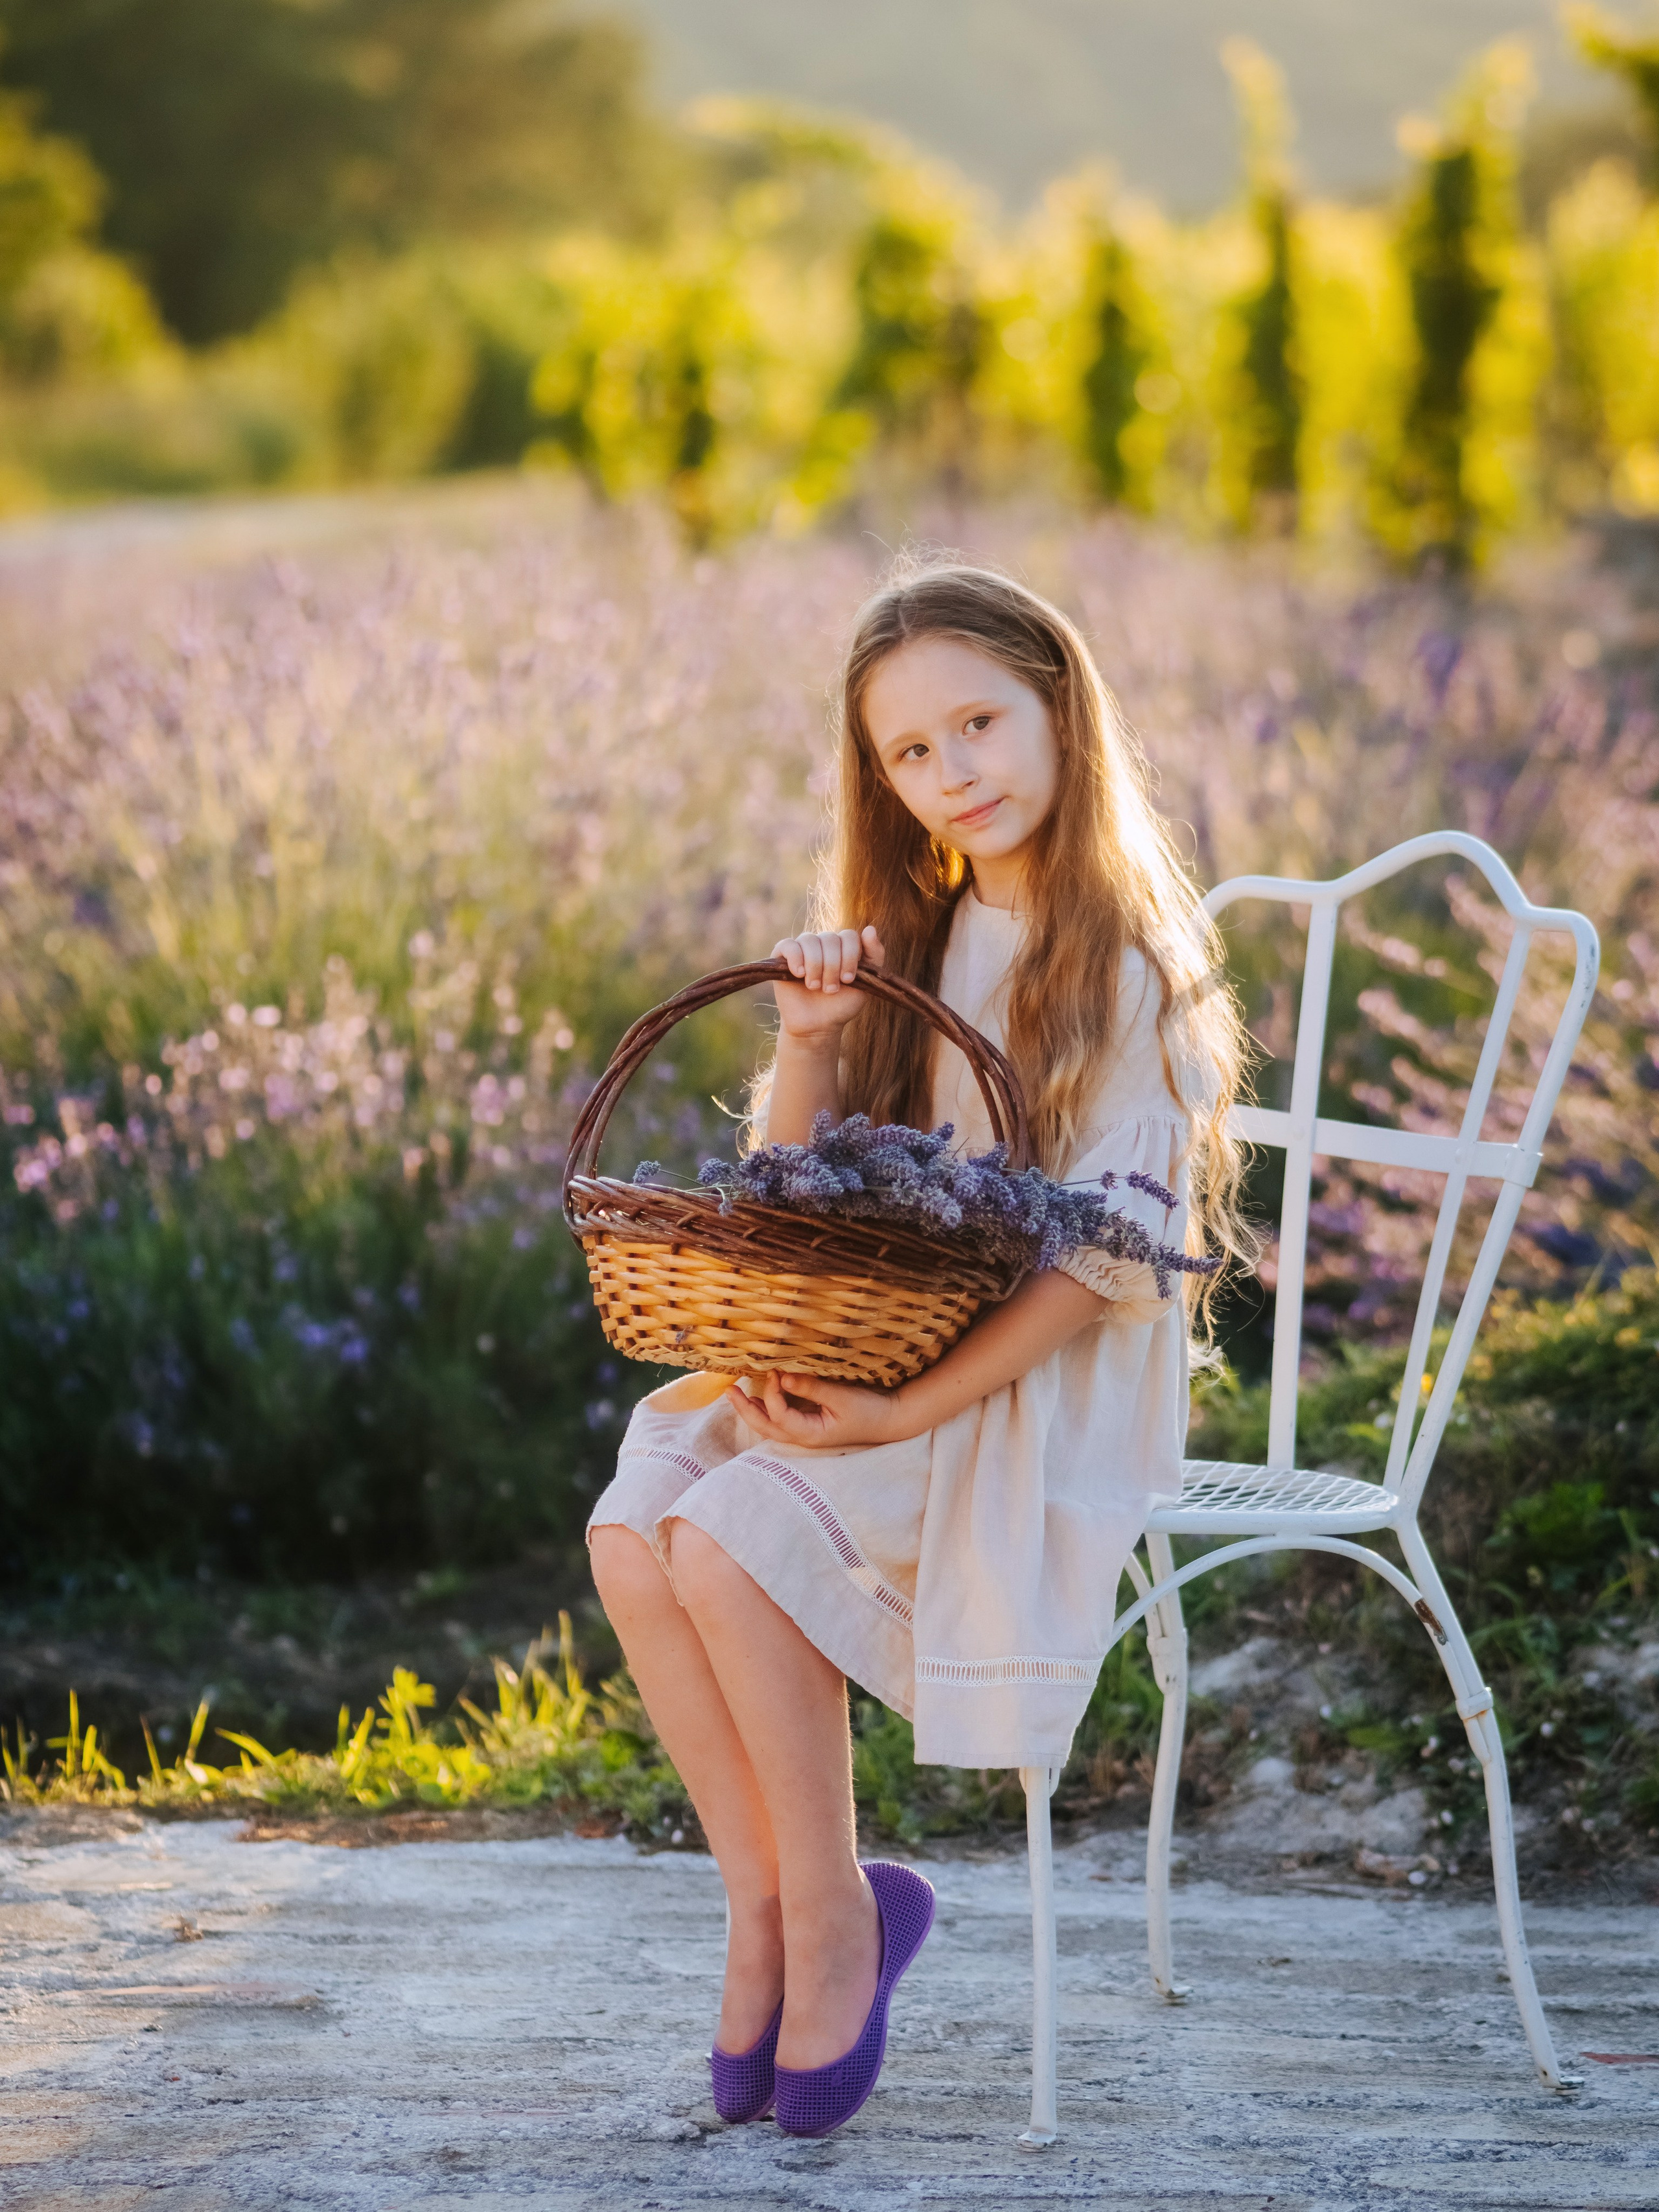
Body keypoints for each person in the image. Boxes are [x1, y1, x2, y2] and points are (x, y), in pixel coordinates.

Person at [586, 559, 1253, 2137]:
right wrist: (810, 1045)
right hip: (910, 1334)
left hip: (1033, 1377)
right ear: (879, 782)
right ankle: (776, 1902)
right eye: (910, 751)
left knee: (732, 1528)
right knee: (636, 1526)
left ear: (1060, 711)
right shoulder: (917, 937)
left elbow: (1101, 1269)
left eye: (979, 721)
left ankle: (824, 1924)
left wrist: (897, 1417)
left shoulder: (1130, 967)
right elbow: (793, 1202)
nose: (953, 770)